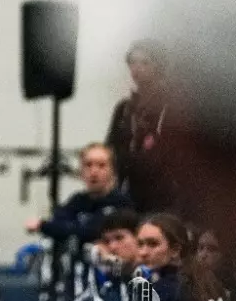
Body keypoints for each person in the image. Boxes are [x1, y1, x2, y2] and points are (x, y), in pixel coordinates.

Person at [106, 40, 176, 215]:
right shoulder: (124, 109)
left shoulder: (170, 107)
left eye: (145, 63)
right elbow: (110, 148)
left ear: (157, 66)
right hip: (129, 192)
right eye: (132, 62)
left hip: (163, 194)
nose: (137, 69)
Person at [25, 143, 134, 246]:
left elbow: (90, 231)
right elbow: (58, 222)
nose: (94, 172)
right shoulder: (77, 201)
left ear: (112, 171)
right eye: (88, 165)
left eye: (101, 165)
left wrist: (43, 226)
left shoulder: (121, 204)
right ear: (81, 171)